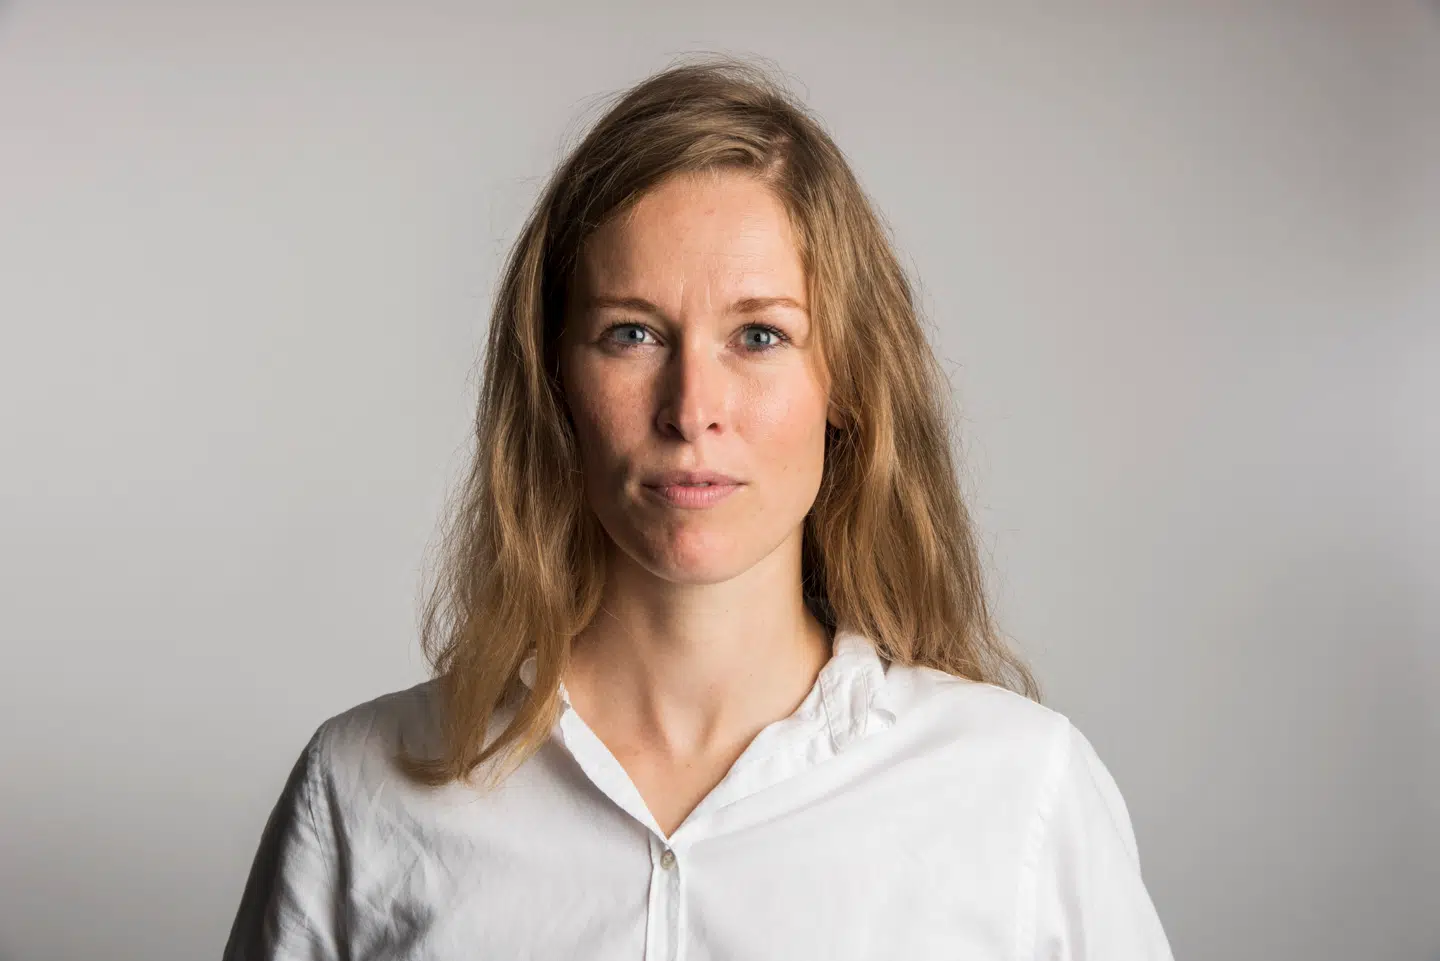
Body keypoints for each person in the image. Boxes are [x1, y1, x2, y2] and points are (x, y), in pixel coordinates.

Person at [223, 54, 1175, 961]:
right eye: (632, 334)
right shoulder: (364, 789)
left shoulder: (1020, 793)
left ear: (847, 381)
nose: (691, 410)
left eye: (759, 335)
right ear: (555, 378)